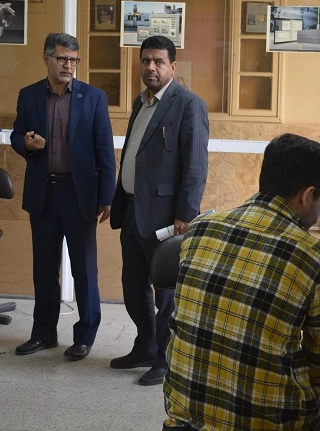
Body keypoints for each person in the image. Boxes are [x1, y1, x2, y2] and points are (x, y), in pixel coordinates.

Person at [163, 134, 320, 431]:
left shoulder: (200, 228)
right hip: (265, 420)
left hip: (183, 411)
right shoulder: (317, 257)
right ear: (307, 195)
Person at [109, 35, 209, 386]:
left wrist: (186, 215)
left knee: (167, 294)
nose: (150, 67)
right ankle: (145, 347)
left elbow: (195, 166)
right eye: (145, 61)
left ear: (172, 67)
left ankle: (166, 359)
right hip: (133, 211)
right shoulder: (142, 102)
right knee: (133, 285)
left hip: (167, 218)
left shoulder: (188, 105)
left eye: (158, 62)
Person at [11, 33, 115, 361]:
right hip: (43, 193)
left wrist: (107, 197)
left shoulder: (93, 97)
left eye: (73, 60)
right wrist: (26, 144)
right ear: (46, 60)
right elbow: (16, 135)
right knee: (44, 269)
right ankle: (43, 333)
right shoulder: (29, 95)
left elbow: (104, 149)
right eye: (62, 59)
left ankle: (85, 336)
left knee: (84, 271)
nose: (68, 65)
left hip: (78, 194)